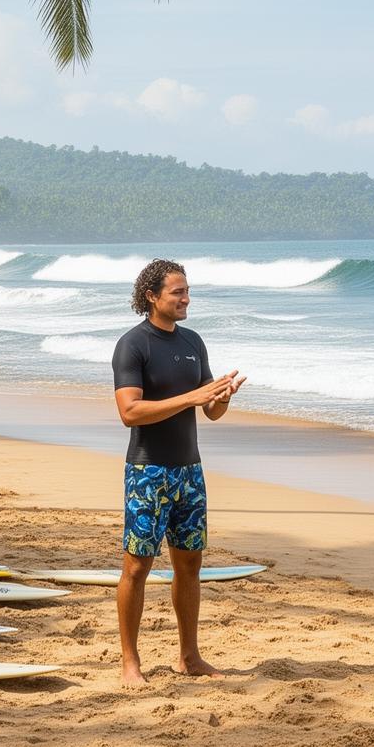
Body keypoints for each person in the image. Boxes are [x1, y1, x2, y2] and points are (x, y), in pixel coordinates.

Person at [110, 259, 244, 687]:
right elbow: (130, 412)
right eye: (178, 292)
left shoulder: (192, 342)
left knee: (189, 565)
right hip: (148, 471)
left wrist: (220, 396)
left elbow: (210, 410)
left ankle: (189, 656)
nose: (186, 299)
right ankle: (130, 662)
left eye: (188, 292)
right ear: (152, 296)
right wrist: (193, 396)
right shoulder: (134, 346)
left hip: (190, 471)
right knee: (137, 567)